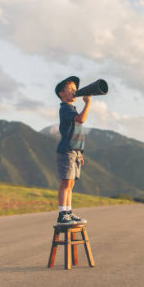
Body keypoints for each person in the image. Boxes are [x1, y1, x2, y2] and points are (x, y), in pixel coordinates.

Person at [54, 76, 91, 225]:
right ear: (61, 94)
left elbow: (77, 132)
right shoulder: (65, 108)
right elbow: (81, 119)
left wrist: (80, 153)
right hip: (67, 151)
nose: (74, 91)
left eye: (75, 89)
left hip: (75, 151)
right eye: (70, 88)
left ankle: (68, 211)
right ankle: (62, 214)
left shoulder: (71, 109)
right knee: (66, 183)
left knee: (70, 184)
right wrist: (88, 103)